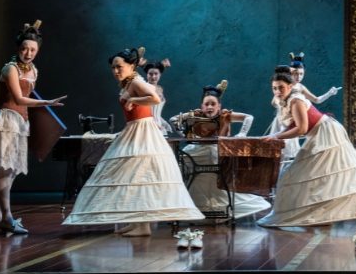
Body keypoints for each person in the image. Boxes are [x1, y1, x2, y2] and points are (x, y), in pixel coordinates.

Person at [63, 47, 203, 235]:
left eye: (119, 67)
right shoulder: (128, 83)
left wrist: (135, 100)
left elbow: (154, 98)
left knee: (140, 174)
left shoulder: (136, 81)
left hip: (143, 131)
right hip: (134, 129)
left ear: (131, 66)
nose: (115, 71)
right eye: (113, 68)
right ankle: (136, 221)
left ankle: (143, 225)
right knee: (131, 176)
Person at [257, 68, 356, 227]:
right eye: (274, 88)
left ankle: (322, 215)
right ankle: (319, 215)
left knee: (324, 174)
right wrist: (276, 135)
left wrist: (276, 136)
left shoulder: (296, 100)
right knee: (312, 175)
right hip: (317, 134)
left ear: (290, 86)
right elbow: (293, 125)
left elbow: (302, 129)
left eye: (281, 87)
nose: (277, 91)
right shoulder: (283, 101)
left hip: (326, 134)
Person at [0, 20, 67, 234]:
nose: (28, 53)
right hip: (7, 120)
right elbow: (20, 99)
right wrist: (47, 103)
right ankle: (7, 218)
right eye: (24, 49)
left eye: (32, 50)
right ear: (18, 49)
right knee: (5, 170)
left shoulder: (33, 71)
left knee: (10, 172)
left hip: (21, 123)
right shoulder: (10, 68)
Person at [169, 80, 271, 220]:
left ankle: (217, 205)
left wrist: (242, 134)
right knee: (183, 163)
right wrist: (180, 133)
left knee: (213, 159)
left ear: (219, 106)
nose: (209, 107)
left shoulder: (225, 115)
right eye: (207, 104)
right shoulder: (197, 114)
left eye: (213, 104)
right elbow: (173, 119)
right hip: (198, 149)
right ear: (202, 106)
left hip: (218, 149)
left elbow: (249, 117)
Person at [267, 53, 341, 161]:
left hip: (304, 125)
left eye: (301, 74)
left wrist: (329, 93)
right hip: (285, 120)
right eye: (294, 74)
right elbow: (274, 102)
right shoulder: (281, 89)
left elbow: (315, 101)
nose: (298, 77)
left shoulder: (297, 97)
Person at [142, 57, 172, 134]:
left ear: (160, 74)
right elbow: (143, 111)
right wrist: (153, 123)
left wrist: (162, 122)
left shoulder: (160, 88)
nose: (153, 77)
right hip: (147, 125)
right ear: (147, 74)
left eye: (156, 74)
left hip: (159, 125)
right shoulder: (144, 88)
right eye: (150, 74)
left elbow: (156, 112)